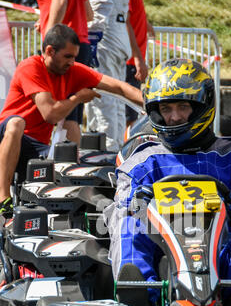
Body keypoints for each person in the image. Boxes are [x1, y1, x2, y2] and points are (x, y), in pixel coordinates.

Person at [105, 58, 231, 306]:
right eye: (166, 109)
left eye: (183, 107)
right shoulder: (142, 161)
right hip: (162, 251)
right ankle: (138, 293)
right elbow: (124, 203)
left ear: (202, 106)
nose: (174, 118)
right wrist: (140, 208)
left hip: (225, 249)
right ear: (154, 111)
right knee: (125, 217)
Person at [0, 24, 143, 217]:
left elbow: (119, 87)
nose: (72, 62)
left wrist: (154, 103)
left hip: (39, 146)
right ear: (50, 51)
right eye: (68, 56)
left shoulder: (73, 70)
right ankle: (2, 198)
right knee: (16, 123)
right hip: (9, 138)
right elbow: (50, 114)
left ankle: (66, 207)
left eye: (75, 57)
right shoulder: (31, 66)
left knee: (71, 133)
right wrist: (77, 98)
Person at [85, 0, 148, 152]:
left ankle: (107, 150)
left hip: (105, 35)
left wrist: (92, 34)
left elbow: (102, 3)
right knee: (116, 99)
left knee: (102, 97)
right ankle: (118, 147)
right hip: (117, 33)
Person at [35, 0, 94, 145]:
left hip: (63, 48)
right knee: (72, 114)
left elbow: (61, 0)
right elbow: (88, 14)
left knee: (66, 115)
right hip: (80, 44)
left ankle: (68, 163)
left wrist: (49, 36)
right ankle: (72, 161)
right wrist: (46, 21)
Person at [125, 0, 154, 128]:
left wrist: (145, 24)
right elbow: (125, 21)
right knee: (130, 117)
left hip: (132, 61)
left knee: (132, 115)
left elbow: (132, 16)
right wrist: (137, 58)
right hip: (130, 61)